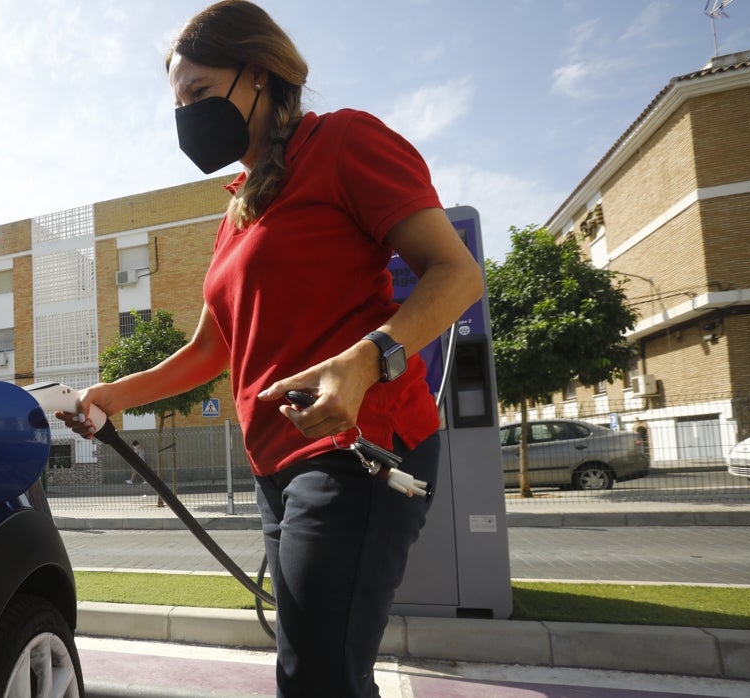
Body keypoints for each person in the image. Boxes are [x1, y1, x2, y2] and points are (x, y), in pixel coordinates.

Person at [56, 2, 484, 695]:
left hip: (357, 447)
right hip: (274, 465)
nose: (186, 114)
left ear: (259, 75)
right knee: (313, 672)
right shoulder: (241, 207)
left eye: (198, 91)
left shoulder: (345, 142)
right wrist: (111, 397)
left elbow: (457, 274)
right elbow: (209, 349)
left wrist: (364, 360)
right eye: (178, 101)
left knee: (317, 677)